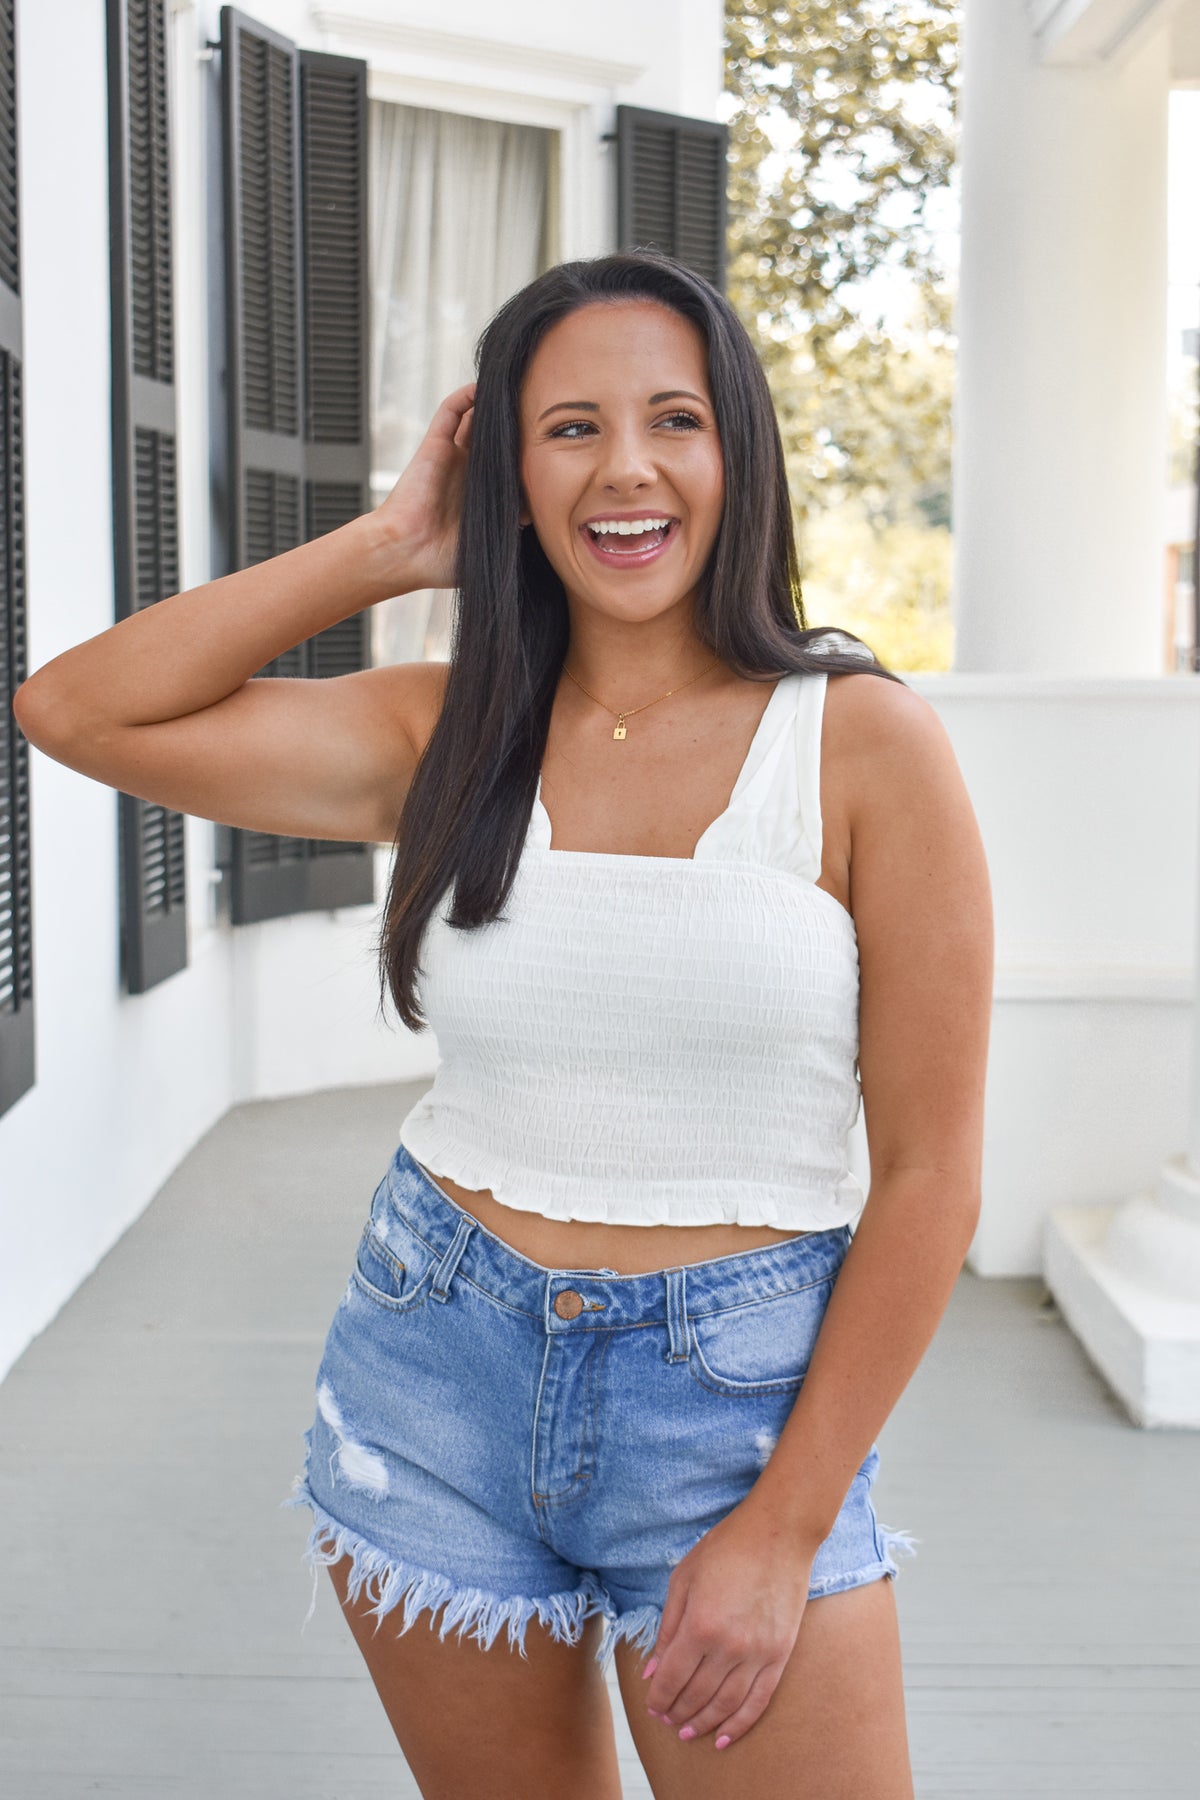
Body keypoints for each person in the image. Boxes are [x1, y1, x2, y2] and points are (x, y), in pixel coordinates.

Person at [14, 250, 993, 1799]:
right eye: (569, 429)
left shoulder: (864, 743)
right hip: (433, 1363)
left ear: (737, 451)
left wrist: (787, 1524)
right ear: (512, 477)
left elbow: (934, 1174)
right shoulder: (439, 727)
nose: (626, 469)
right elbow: (77, 712)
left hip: (729, 1410)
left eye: (674, 418)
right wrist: (392, 546)